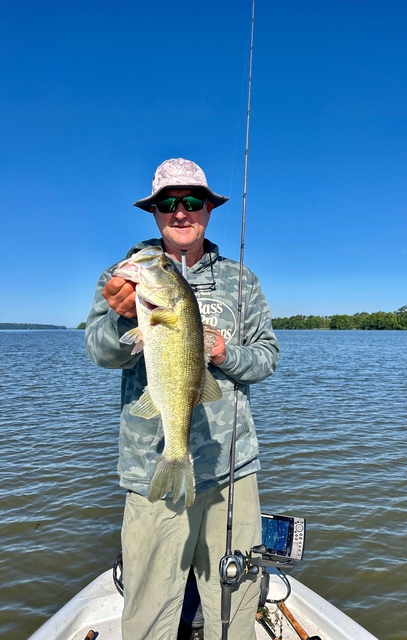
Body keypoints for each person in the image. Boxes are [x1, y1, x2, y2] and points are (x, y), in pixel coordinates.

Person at [85, 158, 280, 640]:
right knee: (150, 605)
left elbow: (267, 357)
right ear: (153, 212)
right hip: (153, 465)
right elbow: (100, 353)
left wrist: (223, 352)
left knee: (233, 600)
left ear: (209, 208)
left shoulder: (242, 280)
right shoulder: (124, 277)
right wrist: (122, 320)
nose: (180, 213)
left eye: (192, 202)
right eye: (168, 204)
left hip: (233, 468)